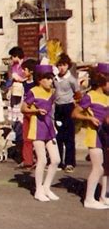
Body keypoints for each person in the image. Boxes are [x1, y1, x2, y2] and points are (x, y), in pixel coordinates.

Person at [21, 64, 61, 202]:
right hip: (37, 128)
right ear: (40, 79)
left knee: (56, 159)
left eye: (52, 78)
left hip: (49, 127)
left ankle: (46, 187)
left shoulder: (51, 93)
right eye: (48, 78)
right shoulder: (34, 91)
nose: (51, 81)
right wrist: (36, 111)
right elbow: (24, 108)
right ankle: (38, 190)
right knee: (42, 160)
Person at [72, 63, 109, 209]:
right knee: (98, 168)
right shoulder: (90, 96)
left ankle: (104, 196)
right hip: (94, 136)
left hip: (105, 135)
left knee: (107, 167)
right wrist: (89, 119)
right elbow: (75, 113)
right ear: (101, 81)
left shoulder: (107, 98)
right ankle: (89, 199)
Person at [54, 53, 80, 173]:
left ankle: (70, 162)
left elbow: (78, 93)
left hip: (68, 107)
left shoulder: (71, 80)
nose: (61, 68)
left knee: (69, 136)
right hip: (58, 108)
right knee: (58, 136)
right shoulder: (55, 78)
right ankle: (59, 162)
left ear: (68, 66)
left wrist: (74, 103)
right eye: (59, 65)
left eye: (63, 65)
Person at [18, 59, 38, 169]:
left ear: (31, 71)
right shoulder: (25, 83)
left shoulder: (37, 83)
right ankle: (28, 160)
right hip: (27, 112)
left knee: (37, 138)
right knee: (26, 137)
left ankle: (38, 159)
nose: (23, 72)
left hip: (35, 112)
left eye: (25, 70)